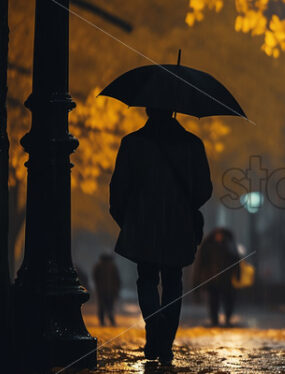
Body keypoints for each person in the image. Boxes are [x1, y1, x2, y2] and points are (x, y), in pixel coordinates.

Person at [109, 107, 213, 364]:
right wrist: (185, 206)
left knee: (145, 277)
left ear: (147, 109)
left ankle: (154, 323)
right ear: (173, 110)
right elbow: (204, 189)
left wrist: (128, 219)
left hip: (143, 223)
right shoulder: (192, 145)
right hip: (178, 224)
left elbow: (118, 189)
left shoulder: (132, 143)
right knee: (173, 281)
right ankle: (164, 343)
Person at [194, 228, 240, 326]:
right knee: (213, 301)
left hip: (226, 279)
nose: (219, 237)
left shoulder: (229, 245)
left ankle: (227, 317)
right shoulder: (208, 245)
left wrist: (237, 275)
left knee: (228, 300)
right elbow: (201, 263)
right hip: (212, 279)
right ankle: (214, 320)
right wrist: (198, 279)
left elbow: (236, 261)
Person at [91, 254, 121, 326]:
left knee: (102, 306)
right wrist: (116, 288)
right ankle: (111, 321)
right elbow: (117, 279)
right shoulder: (113, 266)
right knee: (110, 306)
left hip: (102, 290)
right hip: (110, 290)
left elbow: (95, 277)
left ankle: (102, 321)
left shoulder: (98, 266)